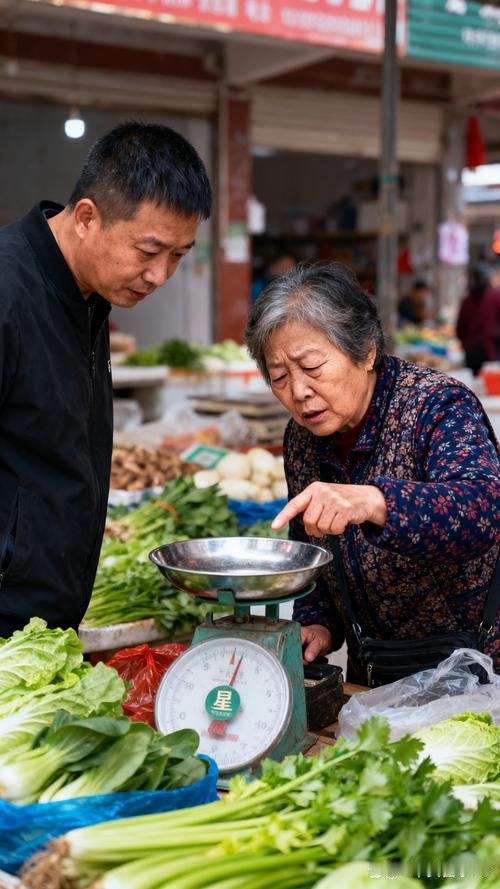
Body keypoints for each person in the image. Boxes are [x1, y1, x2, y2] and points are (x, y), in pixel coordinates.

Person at [0, 121, 211, 636]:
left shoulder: (86, 298)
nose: (160, 276)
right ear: (87, 218)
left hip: (41, 626)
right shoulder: (8, 294)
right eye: (148, 251)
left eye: (178, 257)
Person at [245, 262, 500, 681]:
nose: (299, 391)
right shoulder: (302, 438)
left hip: (472, 669)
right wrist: (319, 623)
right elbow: (314, 547)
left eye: (311, 367)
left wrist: (374, 500)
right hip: (376, 670)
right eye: (279, 377)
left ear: (365, 351)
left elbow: (481, 511)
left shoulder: (437, 406)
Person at [456, 261, 500, 376]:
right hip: (490, 352)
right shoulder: (495, 296)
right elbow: (460, 328)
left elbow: (460, 329)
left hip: (477, 351)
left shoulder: (468, 300)